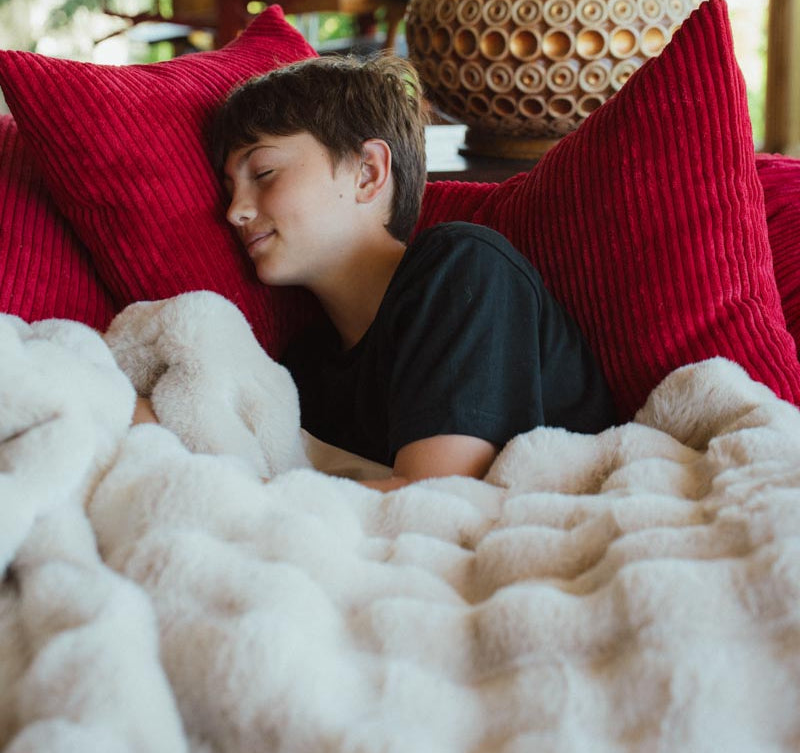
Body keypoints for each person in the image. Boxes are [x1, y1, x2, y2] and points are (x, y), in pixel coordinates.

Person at [138, 54, 616, 490]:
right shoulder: (306, 366)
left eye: (263, 173)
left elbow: (436, 498)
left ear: (368, 172)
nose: (235, 212)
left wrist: (232, 496)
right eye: (229, 189)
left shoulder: (463, 270)